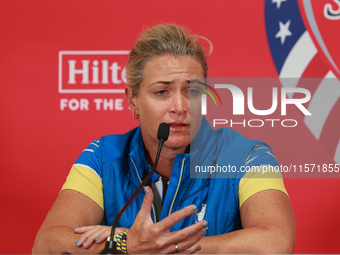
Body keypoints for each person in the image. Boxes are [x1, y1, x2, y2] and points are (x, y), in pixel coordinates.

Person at [32, 24, 295, 254]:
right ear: (132, 100)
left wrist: (164, 247)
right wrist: (127, 245)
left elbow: (277, 241)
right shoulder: (102, 157)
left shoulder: (251, 156)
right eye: (162, 92)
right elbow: (47, 244)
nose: (179, 106)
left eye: (192, 91)